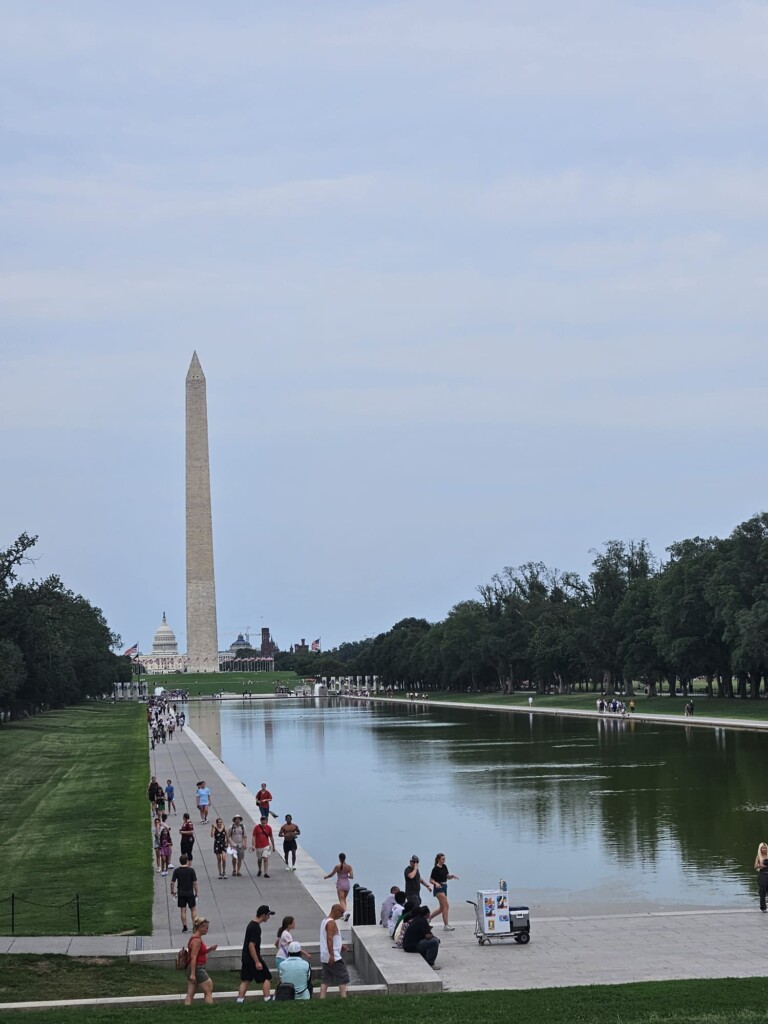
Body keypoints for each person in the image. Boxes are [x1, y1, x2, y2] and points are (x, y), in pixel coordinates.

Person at [237, 905, 275, 1003]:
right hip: (253, 958)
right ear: (263, 915)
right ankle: (267, 998)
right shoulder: (256, 928)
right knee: (267, 977)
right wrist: (257, 961)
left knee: (246, 980)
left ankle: (240, 1000)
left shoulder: (251, 924)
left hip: (246, 957)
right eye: (268, 915)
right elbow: (251, 945)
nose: (269, 917)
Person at [185, 918, 218, 1005]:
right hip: (197, 968)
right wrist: (193, 973)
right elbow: (193, 957)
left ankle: (186, 1009)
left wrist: (210, 949)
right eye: (206, 928)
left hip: (193, 968)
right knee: (208, 990)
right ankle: (210, 1009)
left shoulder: (195, 938)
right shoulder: (197, 941)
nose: (207, 930)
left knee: (190, 994)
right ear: (200, 927)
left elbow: (200, 952)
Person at [319, 904, 349, 998]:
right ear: (336, 911)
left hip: (325, 956)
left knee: (325, 979)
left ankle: (322, 997)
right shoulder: (331, 923)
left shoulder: (324, 921)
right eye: (341, 913)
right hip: (333, 956)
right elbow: (329, 939)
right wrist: (332, 954)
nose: (341, 916)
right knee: (343, 977)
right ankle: (343, 997)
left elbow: (333, 938)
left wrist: (340, 946)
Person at [428, 853, 458, 930]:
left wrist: (452, 876)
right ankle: (446, 925)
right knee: (446, 906)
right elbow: (431, 880)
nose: (444, 860)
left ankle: (429, 918)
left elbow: (447, 876)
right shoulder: (435, 869)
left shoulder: (444, 866)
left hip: (444, 887)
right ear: (438, 859)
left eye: (444, 859)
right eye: (442, 859)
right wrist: (435, 883)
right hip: (438, 888)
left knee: (442, 908)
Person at [170, 853, 198, 932]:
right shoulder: (191, 870)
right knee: (193, 909)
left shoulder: (177, 871)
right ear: (186, 861)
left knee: (183, 909)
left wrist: (172, 891)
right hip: (190, 893)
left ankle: (185, 926)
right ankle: (194, 926)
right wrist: (196, 892)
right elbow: (194, 883)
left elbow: (172, 882)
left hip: (181, 893)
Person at [324, 853, 353, 919]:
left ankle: (345, 912)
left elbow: (331, 874)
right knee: (344, 899)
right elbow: (351, 876)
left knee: (341, 900)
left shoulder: (337, 866)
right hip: (347, 884)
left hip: (340, 884)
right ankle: (344, 914)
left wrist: (326, 877)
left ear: (339, 858)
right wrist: (346, 876)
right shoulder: (349, 867)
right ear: (345, 858)